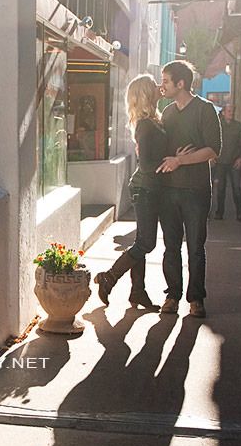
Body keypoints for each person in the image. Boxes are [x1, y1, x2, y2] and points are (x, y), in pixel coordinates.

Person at [94, 74, 169, 310]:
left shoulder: (151, 120)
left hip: (149, 187)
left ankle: (138, 292)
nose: (159, 87)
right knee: (147, 243)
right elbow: (146, 163)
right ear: (146, 93)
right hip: (145, 188)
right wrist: (169, 160)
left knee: (141, 242)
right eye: (154, 85)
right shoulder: (146, 125)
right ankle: (109, 277)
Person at [157, 60, 221, 319]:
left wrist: (180, 160)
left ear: (180, 83)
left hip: (195, 191)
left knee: (195, 247)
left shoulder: (205, 110)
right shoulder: (168, 113)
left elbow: (213, 149)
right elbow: (161, 149)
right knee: (171, 246)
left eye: (165, 81)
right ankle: (172, 295)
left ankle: (196, 299)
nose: (162, 86)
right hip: (168, 190)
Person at [214, 103, 241, 221]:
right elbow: (213, 142)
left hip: (234, 162)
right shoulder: (218, 126)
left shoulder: (238, 127)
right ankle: (219, 212)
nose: (231, 113)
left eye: (232, 111)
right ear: (223, 112)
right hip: (221, 162)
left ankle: (240, 212)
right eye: (228, 111)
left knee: (236, 188)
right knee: (221, 188)